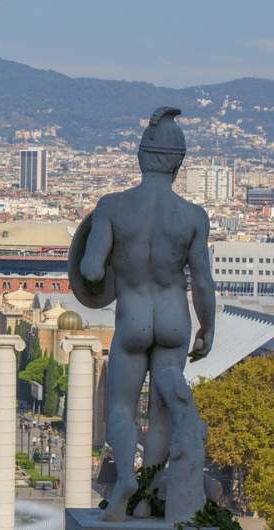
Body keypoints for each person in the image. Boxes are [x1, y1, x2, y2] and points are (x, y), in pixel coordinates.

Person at [78, 107, 214, 522]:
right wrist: (208, 329)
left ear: (141, 156)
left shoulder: (113, 207)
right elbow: (204, 283)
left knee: (121, 407)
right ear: (178, 163)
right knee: (160, 413)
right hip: (174, 317)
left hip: (133, 316)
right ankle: (150, 494)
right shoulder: (192, 216)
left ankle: (127, 482)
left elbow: (90, 270)